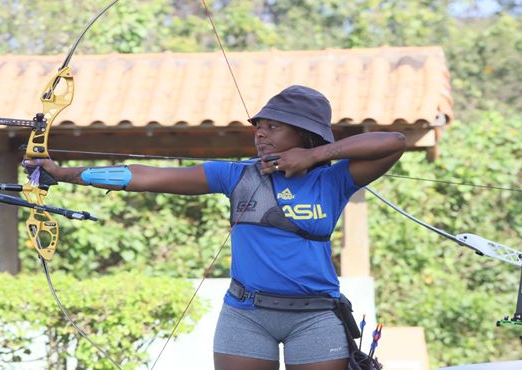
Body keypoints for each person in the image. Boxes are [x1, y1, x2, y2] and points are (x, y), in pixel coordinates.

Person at [29, 85, 406, 370]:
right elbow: (145, 177)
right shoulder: (236, 175)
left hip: (315, 317)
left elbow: (394, 142)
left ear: (305, 134)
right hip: (246, 315)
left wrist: (316, 156)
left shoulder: (334, 180)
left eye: (274, 127)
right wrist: (65, 174)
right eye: (258, 127)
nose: (260, 134)